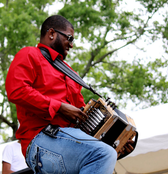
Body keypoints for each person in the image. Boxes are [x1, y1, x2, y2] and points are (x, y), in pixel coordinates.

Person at [5, 15, 133, 174]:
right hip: (40, 140)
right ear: (51, 33)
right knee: (103, 154)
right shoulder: (30, 54)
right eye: (69, 38)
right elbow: (16, 90)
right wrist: (59, 107)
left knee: (107, 152)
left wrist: (115, 145)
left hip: (68, 140)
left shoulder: (71, 73)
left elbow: (81, 123)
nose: (71, 45)